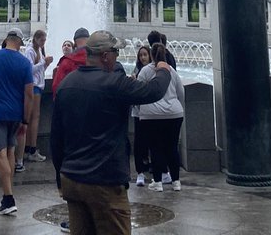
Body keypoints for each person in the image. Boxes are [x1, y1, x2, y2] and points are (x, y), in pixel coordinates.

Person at [51, 30, 171, 235]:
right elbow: (154, 91)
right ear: (105, 56)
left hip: (72, 179)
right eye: (116, 52)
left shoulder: (66, 85)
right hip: (105, 181)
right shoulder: (114, 84)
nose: (117, 56)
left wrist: (60, 177)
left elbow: (56, 139)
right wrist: (163, 69)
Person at [0, 27, 34, 216]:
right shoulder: (24, 63)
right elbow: (29, 95)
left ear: (6, 39)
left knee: (0, 154)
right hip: (16, 114)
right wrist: (25, 120)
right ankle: (8, 190)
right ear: (20, 42)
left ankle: (8, 198)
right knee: (10, 151)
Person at [136, 44, 184, 191]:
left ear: (151, 55)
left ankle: (157, 182)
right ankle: (176, 182)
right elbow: (181, 92)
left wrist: (140, 110)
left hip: (151, 115)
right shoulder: (171, 70)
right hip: (174, 114)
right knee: (172, 147)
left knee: (155, 147)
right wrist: (177, 106)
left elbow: (138, 92)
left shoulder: (145, 71)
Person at [18, 28, 53, 164]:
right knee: (33, 117)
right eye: (42, 40)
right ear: (36, 39)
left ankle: (28, 148)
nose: (43, 42)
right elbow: (30, 69)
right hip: (34, 87)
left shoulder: (38, 50)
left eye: (45, 40)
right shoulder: (30, 51)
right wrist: (44, 62)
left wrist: (46, 64)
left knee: (32, 118)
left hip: (37, 86)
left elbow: (39, 71)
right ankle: (31, 149)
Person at [130, 46, 153, 186]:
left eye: (145, 54)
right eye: (140, 55)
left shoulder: (154, 70)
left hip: (152, 112)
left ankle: (154, 167)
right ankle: (140, 171)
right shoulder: (136, 71)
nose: (143, 57)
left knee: (152, 140)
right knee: (139, 141)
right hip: (138, 112)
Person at [52, 27, 90, 94]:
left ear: (74, 43)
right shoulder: (96, 60)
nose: (66, 47)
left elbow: (56, 86)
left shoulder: (66, 62)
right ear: (89, 41)